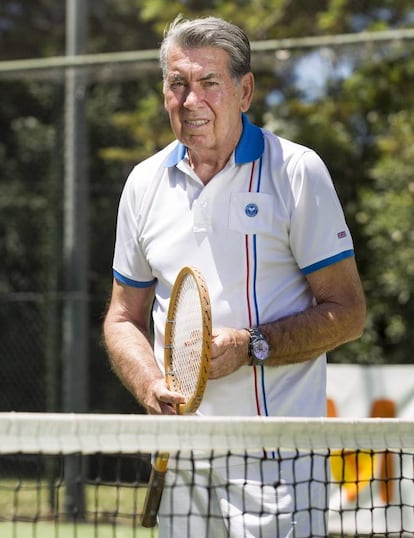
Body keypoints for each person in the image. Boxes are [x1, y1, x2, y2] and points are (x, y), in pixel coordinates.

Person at [103, 15, 366, 538]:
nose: (191, 99)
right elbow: (122, 317)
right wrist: (150, 383)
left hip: (279, 467)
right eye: (177, 84)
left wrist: (252, 346)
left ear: (244, 91)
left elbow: (348, 313)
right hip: (182, 461)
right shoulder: (143, 183)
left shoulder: (296, 170)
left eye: (208, 83)